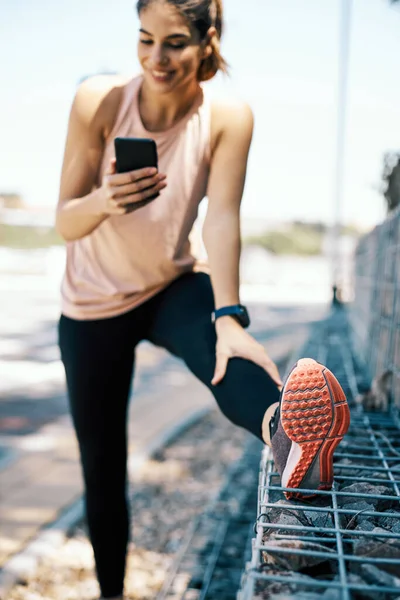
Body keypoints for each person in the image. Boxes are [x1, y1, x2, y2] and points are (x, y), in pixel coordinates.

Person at [56, 1, 350, 598]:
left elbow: (223, 218)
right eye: (145, 40)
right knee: (102, 465)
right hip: (90, 303)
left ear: (206, 40)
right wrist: (105, 200)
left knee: (224, 351)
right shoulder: (100, 100)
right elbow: (65, 219)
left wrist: (230, 314)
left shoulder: (227, 115)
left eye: (174, 43)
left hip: (171, 284)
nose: (156, 59)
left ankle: (290, 439)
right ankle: (111, 593)